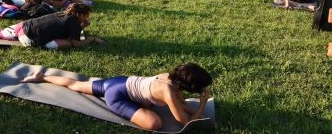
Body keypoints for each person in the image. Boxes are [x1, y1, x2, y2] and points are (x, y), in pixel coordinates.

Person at [21, 62, 213, 131]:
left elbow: (182, 105)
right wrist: (202, 105)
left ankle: (42, 76)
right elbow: (185, 123)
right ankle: (42, 77)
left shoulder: (171, 78)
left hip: (121, 81)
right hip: (117, 95)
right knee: (154, 123)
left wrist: (195, 108)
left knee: (75, 84)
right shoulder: (169, 92)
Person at [0, 3, 104, 49]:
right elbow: (76, 41)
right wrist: (90, 38)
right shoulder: (74, 22)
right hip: (28, 38)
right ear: (81, 15)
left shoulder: (63, 13)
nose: (87, 18)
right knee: (66, 43)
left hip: (22, 26)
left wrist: (82, 26)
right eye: (86, 16)